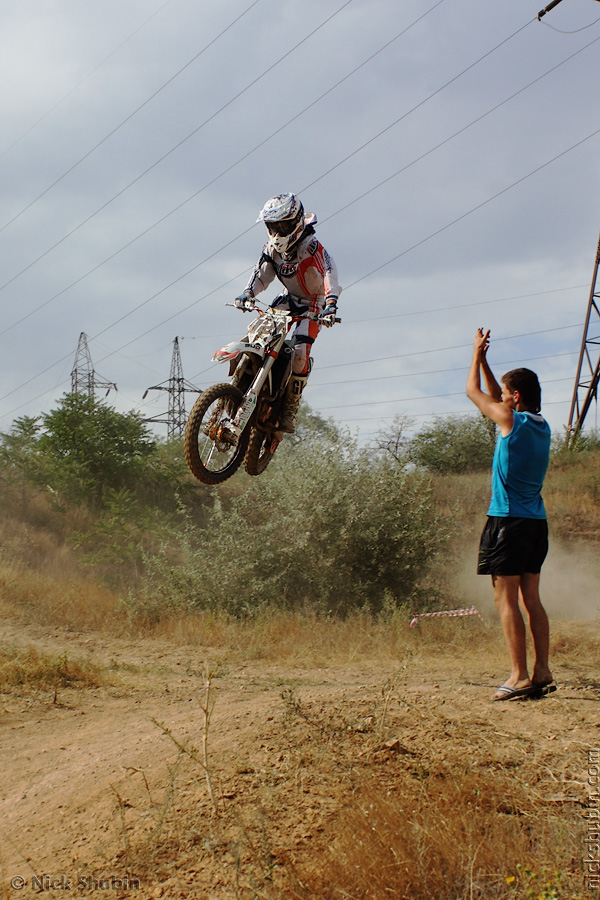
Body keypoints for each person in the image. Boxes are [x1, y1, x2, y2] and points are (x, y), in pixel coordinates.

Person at [466, 328, 554, 702]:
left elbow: (474, 393)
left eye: (505, 394)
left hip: (507, 522)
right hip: (535, 523)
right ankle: (542, 671)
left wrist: (473, 355)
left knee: (506, 600)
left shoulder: (509, 421)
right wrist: (488, 363)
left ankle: (518, 676)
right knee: (531, 598)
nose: (499, 399)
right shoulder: (541, 426)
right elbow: (495, 396)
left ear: (514, 398)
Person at [234, 193, 341, 433]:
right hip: (288, 297)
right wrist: (247, 293)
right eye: (273, 226)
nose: (277, 232)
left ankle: (291, 406)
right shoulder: (271, 249)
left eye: (282, 226)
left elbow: (329, 272)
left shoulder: (311, 246)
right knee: (258, 334)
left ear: (296, 222)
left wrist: (331, 302)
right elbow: (262, 274)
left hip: (313, 301)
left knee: (301, 351)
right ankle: (242, 384)